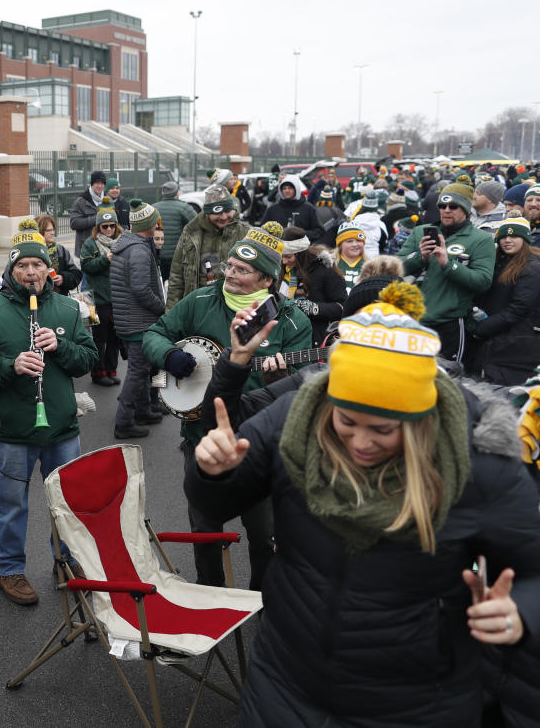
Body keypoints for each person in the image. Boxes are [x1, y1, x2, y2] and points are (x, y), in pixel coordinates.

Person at [189, 288, 540, 727]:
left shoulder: (476, 458)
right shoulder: (296, 419)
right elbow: (215, 505)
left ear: (420, 419)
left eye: (383, 429)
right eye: (347, 422)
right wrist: (215, 472)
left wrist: (519, 613)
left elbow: (532, 570)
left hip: (415, 701)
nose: (361, 442)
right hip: (283, 682)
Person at [144, 227, 312, 589]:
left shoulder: (294, 321)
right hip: (202, 435)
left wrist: (276, 380)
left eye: (241, 270)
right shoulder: (200, 301)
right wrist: (170, 355)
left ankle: (262, 601)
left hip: (260, 441)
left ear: (267, 279)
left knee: (264, 533)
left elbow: (300, 391)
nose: (230, 274)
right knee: (206, 530)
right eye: (230, 265)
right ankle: (210, 594)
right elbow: (154, 334)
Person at [0, 224, 97, 605]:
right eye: (23, 266)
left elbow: (88, 361)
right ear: (11, 270)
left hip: (61, 428)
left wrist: (62, 346)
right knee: (10, 503)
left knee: (67, 502)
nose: (31, 273)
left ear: (48, 269)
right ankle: (9, 570)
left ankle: (67, 561)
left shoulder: (69, 309)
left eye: (38, 264)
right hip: (12, 429)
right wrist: (9, 366)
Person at [397, 183, 495, 362]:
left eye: (453, 206)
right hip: (414, 320)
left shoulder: (481, 239)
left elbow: (483, 281)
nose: (446, 210)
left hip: (450, 324)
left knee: (448, 378)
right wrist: (421, 257)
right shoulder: (420, 232)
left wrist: (448, 264)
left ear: (465, 209)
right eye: (442, 206)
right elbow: (396, 267)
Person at [110, 200, 165, 439]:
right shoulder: (139, 250)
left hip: (129, 319)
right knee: (137, 371)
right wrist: (161, 307)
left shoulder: (128, 245)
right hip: (139, 321)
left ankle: (143, 410)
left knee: (142, 369)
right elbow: (141, 289)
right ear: (149, 224)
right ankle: (124, 422)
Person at [469, 215, 540, 385]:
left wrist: (483, 327)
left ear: (525, 239)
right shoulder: (498, 262)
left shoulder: (533, 267)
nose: (507, 240)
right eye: (503, 237)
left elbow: (519, 308)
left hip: (515, 343)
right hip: (496, 338)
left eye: (514, 236)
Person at [165, 183, 251, 309]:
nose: (223, 217)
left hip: (235, 307)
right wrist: (171, 313)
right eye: (217, 213)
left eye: (227, 211)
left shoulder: (246, 233)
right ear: (207, 213)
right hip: (198, 306)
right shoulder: (191, 233)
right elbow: (177, 276)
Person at [280, 227, 347, 346]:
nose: (284, 261)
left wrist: (312, 308)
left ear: (300, 254)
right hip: (288, 336)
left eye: (288, 257)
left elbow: (342, 307)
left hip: (316, 338)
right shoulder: (285, 272)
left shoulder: (325, 271)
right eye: (282, 256)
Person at [79, 204, 122, 386]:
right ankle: (98, 373)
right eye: (105, 227)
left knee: (115, 337)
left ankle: (111, 370)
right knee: (100, 338)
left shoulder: (121, 241)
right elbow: (86, 267)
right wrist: (105, 259)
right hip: (99, 299)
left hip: (118, 298)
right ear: (98, 228)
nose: (109, 229)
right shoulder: (90, 243)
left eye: (112, 226)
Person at [152, 180, 197, 281]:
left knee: (159, 285)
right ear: (177, 193)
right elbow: (197, 227)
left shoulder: (153, 208)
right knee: (176, 285)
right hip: (177, 256)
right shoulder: (184, 207)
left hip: (157, 255)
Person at [261, 175, 323, 242]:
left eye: (290, 188)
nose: (287, 191)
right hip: (278, 249)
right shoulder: (273, 209)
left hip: (301, 249)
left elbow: (318, 231)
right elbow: (262, 229)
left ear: (296, 189)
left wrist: (300, 235)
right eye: (284, 188)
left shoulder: (308, 209)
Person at [35, 213, 81, 296]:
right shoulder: (31, 251)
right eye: (48, 230)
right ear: (39, 232)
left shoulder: (60, 250)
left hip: (59, 299)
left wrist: (63, 279)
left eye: (53, 230)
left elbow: (76, 274)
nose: (52, 233)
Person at [69, 170, 109, 255]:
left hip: (104, 247)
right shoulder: (81, 201)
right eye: (97, 183)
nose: (100, 186)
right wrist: (96, 219)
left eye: (102, 183)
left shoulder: (108, 200)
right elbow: (74, 223)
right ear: (91, 184)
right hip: (86, 248)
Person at [332, 221, 367, 292]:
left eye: (358, 241)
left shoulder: (371, 266)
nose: (355, 244)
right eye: (349, 241)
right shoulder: (331, 265)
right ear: (340, 245)